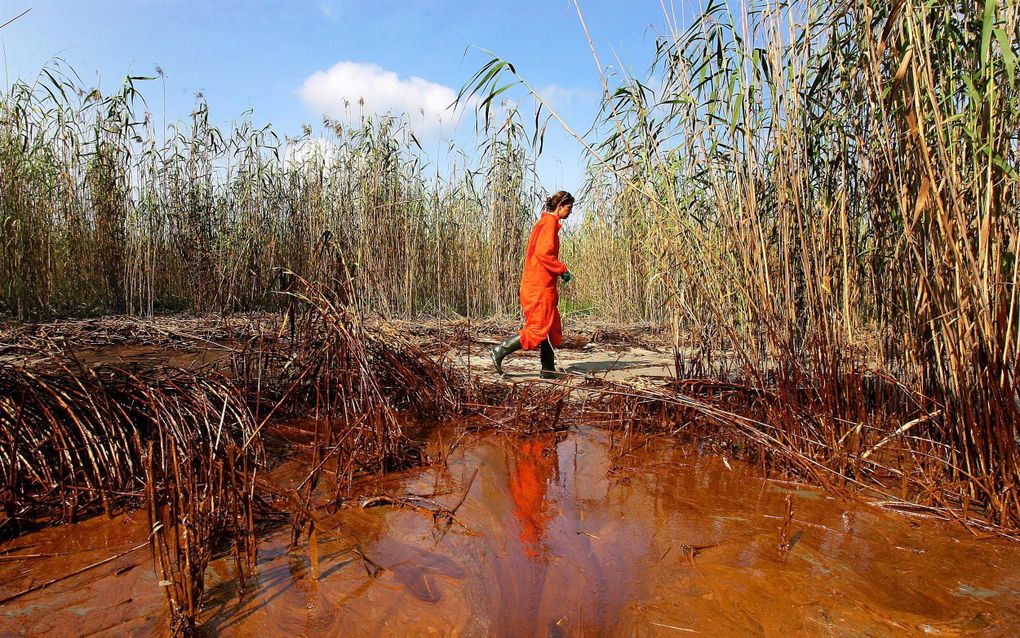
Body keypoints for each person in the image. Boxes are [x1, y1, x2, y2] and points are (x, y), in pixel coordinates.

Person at [491, 191, 574, 378]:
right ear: (560, 206)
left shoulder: (544, 223)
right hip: (539, 287)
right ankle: (499, 351)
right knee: (538, 328)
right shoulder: (549, 224)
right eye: (569, 208)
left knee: (550, 326)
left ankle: (548, 370)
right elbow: (544, 254)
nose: (570, 212)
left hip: (540, 284)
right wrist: (562, 269)